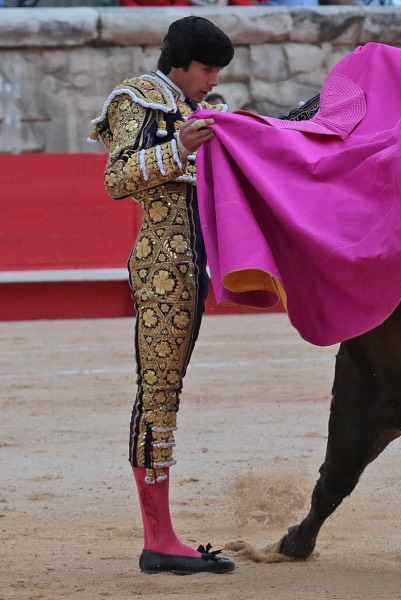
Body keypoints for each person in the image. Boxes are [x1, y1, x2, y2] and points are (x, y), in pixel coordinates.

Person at [88, 16, 236, 575]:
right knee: (158, 394)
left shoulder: (200, 107)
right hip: (162, 268)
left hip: (193, 266)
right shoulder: (138, 99)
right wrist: (177, 147)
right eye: (207, 68)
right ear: (179, 62)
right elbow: (116, 178)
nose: (213, 79)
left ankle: (162, 536)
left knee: (164, 391)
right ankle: (159, 540)